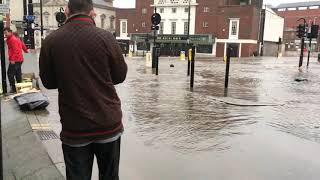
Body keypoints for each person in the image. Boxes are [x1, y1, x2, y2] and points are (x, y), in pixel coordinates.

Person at [39, 0, 127, 179]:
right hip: (108, 123)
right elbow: (120, 76)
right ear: (92, 12)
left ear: (67, 10)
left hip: (75, 127)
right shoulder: (106, 37)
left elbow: (48, 82)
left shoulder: (51, 41)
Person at [4, 28, 28, 93]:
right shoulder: (15, 38)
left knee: (10, 73)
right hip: (19, 59)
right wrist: (26, 51)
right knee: (18, 74)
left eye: (6, 33)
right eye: (4, 33)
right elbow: (22, 44)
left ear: (10, 32)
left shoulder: (12, 39)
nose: (5, 34)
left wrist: (12, 59)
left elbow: (16, 50)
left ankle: (14, 88)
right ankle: (19, 87)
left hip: (15, 59)